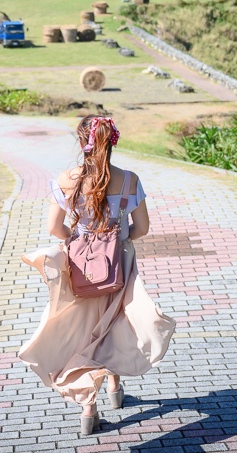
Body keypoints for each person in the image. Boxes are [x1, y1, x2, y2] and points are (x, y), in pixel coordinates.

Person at [19, 115, 176, 436]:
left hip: (80, 266)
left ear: (82, 143)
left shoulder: (66, 179)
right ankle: (115, 389)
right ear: (113, 142)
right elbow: (142, 228)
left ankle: (89, 409)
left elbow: (54, 228)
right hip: (120, 263)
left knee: (85, 331)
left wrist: (82, 241)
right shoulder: (130, 180)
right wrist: (115, 239)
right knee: (117, 324)